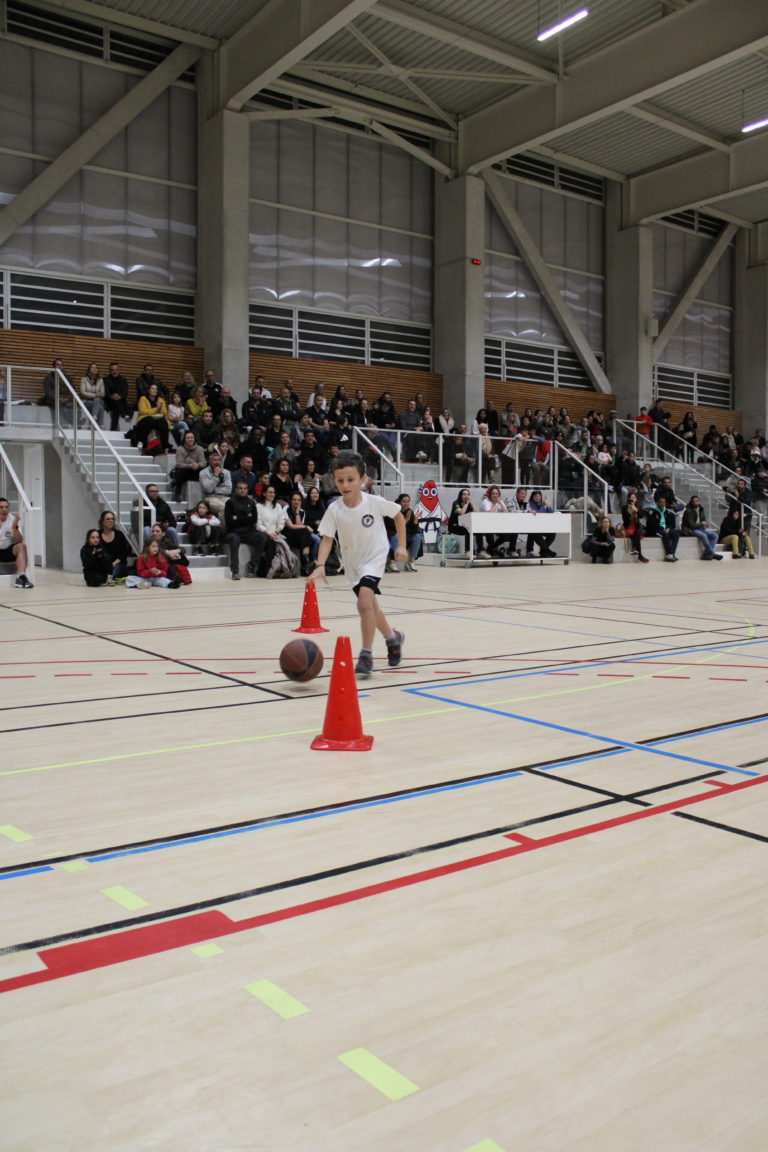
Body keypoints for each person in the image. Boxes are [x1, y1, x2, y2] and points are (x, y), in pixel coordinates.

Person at [308, 451, 406, 677]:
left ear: (362, 479)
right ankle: (393, 638)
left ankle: (366, 654)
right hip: (353, 563)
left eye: (350, 479)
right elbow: (327, 539)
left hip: (375, 557)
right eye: (340, 480)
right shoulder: (334, 509)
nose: (345, 485)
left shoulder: (374, 502)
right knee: (371, 607)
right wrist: (320, 565)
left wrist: (401, 546)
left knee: (363, 604)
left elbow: (399, 515)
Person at [225, 480, 266, 580]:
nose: (243, 490)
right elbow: (229, 521)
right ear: (236, 490)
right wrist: (246, 517)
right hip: (233, 532)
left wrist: (237, 517)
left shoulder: (251, 502)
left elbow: (253, 520)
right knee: (234, 539)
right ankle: (235, 571)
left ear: (247, 490)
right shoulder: (230, 502)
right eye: (240, 488)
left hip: (248, 532)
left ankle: (252, 565)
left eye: (245, 488)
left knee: (262, 537)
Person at [0, 497, 33, 588]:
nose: (4, 509)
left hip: (7, 551)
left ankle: (21, 577)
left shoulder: (12, 519)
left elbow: (18, 541)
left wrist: (15, 528)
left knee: (21, 546)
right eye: (1, 507)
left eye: (6, 507)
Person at [386, 493, 422, 573]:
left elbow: (414, 530)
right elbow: (395, 528)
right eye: (404, 501)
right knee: (396, 536)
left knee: (417, 536)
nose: (406, 504)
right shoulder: (394, 511)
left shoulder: (409, 511)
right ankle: (392, 562)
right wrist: (406, 519)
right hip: (392, 534)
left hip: (405, 535)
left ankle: (411, 562)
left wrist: (415, 519)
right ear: (399, 502)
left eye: (408, 501)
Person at [283, 491, 314, 576]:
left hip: (298, 536)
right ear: (291, 500)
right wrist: (306, 526)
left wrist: (297, 512)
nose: (297, 502)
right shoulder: (286, 509)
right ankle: (306, 563)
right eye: (294, 499)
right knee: (305, 532)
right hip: (287, 534)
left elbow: (299, 524)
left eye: (299, 500)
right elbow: (290, 526)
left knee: (305, 534)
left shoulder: (302, 511)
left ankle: (306, 562)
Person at [682, 496, 722, 560]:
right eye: (693, 501)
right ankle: (712, 553)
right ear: (691, 502)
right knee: (703, 535)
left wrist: (705, 524)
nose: (695, 503)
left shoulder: (701, 509)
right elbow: (691, 525)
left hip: (700, 528)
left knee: (715, 535)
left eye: (696, 501)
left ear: (699, 501)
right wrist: (701, 524)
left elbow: (704, 520)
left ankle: (706, 554)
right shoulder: (688, 511)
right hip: (691, 529)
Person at [133, 383, 170, 453]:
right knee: (149, 420)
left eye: (156, 389)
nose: (155, 390)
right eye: (153, 389)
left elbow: (164, 412)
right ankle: (142, 442)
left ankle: (165, 445)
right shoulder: (143, 399)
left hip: (156, 420)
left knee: (163, 422)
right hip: (144, 419)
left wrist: (157, 410)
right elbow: (143, 411)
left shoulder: (160, 400)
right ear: (148, 390)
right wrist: (156, 409)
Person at [98, 510, 134, 579]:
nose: (111, 521)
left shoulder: (119, 534)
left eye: (112, 519)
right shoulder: (97, 535)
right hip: (103, 564)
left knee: (112, 573)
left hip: (117, 564)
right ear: (102, 522)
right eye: (108, 519)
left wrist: (114, 563)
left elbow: (124, 553)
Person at [173, 431, 206, 502]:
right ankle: (177, 492)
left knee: (204, 470)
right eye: (187, 438)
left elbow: (204, 463)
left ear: (194, 439)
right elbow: (178, 464)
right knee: (180, 471)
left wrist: (197, 465)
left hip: (196, 470)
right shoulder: (180, 449)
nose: (190, 439)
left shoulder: (199, 449)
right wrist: (189, 466)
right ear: (184, 439)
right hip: (185, 471)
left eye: (192, 437)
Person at [645, 495, 680, 561]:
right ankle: (669, 554)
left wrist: (668, 528)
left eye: (663, 502)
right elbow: (652, 524)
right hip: (655, 530)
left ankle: (670, 554)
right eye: (661, 502)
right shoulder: (652, 511)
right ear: (657, 503)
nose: (662, 504)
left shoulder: (667, 511)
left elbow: (671, 523)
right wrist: (662, 528)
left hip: (665, 529)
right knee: (665, 534)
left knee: (676, 534)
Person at [447, 488, 478, 558]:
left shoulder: (468, 504)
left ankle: (480, 550)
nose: (466, 496)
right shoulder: (456, 503)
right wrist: (467, 503)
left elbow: (477, 512)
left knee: (478, 531)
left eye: (468, 494)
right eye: (464, 494)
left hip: (463, 526)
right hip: (453, 526)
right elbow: (461, 513)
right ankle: (467, 551)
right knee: (468, 530)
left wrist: (471, 502)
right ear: (460, 495)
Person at [199, 452, 232, 518]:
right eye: (214, 460)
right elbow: (208, 490)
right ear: (209, 461)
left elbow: (228, 490)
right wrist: (215, 476)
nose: (217, 462)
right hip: (210, 498)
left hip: (224, 497)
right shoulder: (203, 473)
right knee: (223, 507)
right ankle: (222, 525)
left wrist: (213, 489)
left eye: (218, 460)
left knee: (235, 505)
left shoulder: (226, 472)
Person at [525, 490, 556, 558]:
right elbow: (537, 513)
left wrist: (548, 505)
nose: (538, 497)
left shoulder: (543, 504)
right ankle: (547, 550)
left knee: (552, 534)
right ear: (532, 497)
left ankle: (543, 550)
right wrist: (544, 507)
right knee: (535, 533)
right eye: (535, 496)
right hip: (532, 526)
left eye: (539, 496)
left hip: (543, 526)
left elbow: (551, 513)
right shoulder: (529, 504)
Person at [622, 492, 649, 563]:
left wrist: (635, 510)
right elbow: (624, 519)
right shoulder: (624, 508)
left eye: (634, 497)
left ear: (636, 499)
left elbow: (641, 516)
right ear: (628, 499)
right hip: (628, 528)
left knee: (637, 532)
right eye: (631, 497)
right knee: (636, 534)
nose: (632, 499)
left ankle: (636, 551)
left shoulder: (638, 508)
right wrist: (629, 511)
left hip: (636, 528)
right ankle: (639, 555)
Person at [103, 362, 131, 431]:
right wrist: (111, 396)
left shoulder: (123, 380)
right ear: (109, 371)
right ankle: (125, 415)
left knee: (116, 405)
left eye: (116, 369)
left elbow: (125, 392)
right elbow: (105, 391)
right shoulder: (105, 380)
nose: (114, 371)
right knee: (116, 403)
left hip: (120, 401)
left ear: (119, 370)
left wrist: (119, 397)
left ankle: (113, 429)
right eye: (112, 370)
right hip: (109, 402)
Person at [79, 362, 105, 428]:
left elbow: (102, 393)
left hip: (98, 400)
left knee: (97, 400)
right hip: (87, 401)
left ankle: (94, 417)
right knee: (100, 407)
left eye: (96, 368)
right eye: (92, 367)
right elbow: (83, 392)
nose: (94, 369)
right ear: (89, 370)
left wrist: (99, 395)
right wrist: (95, 395)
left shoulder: (100, 380)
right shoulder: (84, 379)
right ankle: (100, 425)